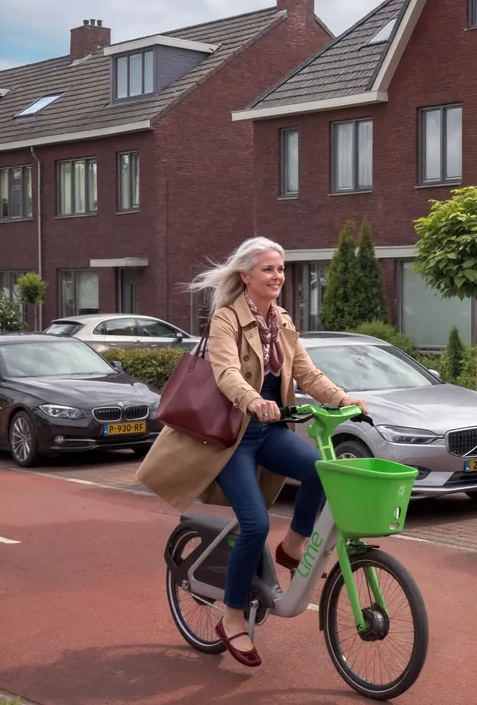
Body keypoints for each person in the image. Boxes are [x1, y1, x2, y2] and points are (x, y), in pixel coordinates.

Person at [136, 237, 366, 668]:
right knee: (255, 525)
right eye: (268, 270)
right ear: (246, 276)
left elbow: (305, 372)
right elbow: (224, 373)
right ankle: (233, 615)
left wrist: (342, 398)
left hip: (269, 431)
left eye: (280, 270)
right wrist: (253, 400)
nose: (277, 277)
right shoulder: (225, 319)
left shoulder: (281, 320)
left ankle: (294, 545)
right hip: (231, 439)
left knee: (321, 470)